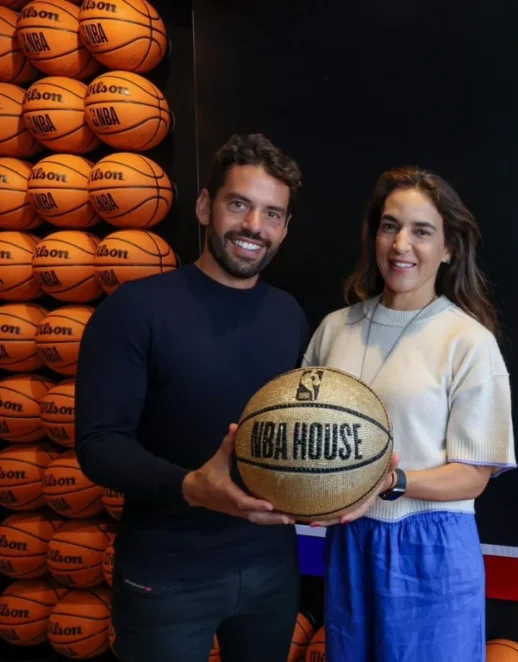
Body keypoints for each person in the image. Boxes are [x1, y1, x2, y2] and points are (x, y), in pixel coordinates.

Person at [75, 134, 309, 662]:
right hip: (166, 574)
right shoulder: (135, 309)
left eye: (272, 214)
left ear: (285, 228)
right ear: (205, 207)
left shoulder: (289, 315)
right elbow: (99, 444)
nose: (254, 226)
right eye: (239, 204)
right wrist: (190, 487)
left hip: (271, 569)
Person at [302, 166, 516, 661]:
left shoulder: (468, 341)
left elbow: (474, 475)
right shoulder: (334, 329)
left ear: (448, 248)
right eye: (390, 226)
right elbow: (306, 434)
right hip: (350, 538)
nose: (401, 244)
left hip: (430, 544)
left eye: (421, 231)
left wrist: (391, 481)